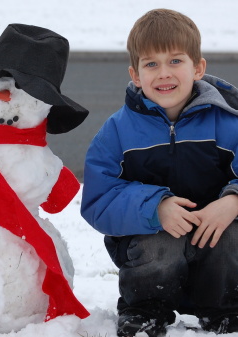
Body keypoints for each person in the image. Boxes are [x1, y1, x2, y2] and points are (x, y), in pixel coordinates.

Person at [80, 8, 238, 337]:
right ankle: (146, 310)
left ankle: (224, 310)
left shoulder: (228, 122)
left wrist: (233, 200)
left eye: (175, 61)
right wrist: (155, 207)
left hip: (216, 242)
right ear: (135, 75)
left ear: (198, 68)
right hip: (150, 248)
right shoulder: (117, 132)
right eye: (151, 64)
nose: (163, 73)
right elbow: (98, 199)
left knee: (231, 236)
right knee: (159, 243)